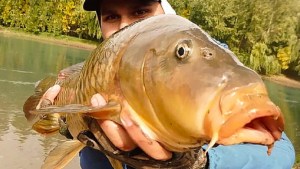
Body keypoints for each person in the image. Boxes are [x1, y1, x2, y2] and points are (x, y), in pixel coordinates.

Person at [41, 0, 296, 168]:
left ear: (165, 9)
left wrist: (198, 163)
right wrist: (64, 122)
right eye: (111, 17)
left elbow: (282, 155)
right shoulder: (95, 71)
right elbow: (40, 116)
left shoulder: (211, 63)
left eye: (140, 11)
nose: (126, 26)